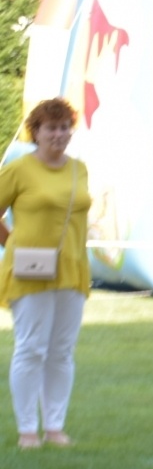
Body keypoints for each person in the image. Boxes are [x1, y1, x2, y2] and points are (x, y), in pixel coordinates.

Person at [1, 98, 91, 450]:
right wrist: (14, 246)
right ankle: (27, 430)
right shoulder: (19, 169)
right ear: (35, 132)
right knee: (31, 349)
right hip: (30, 271)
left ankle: (55, 427)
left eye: (64, 127)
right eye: (51, 128)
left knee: (62, 351)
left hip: (71, 268)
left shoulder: (79, 169)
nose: (59, 134)